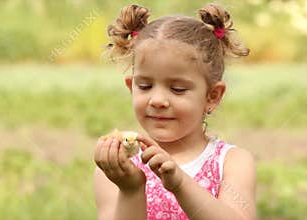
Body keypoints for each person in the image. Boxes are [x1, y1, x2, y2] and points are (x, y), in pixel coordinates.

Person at [94, 2, 256, 220]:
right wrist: (131, 190)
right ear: (130, 87)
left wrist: (180, 184)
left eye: (177, 89)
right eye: (145, 86)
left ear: (212, 96)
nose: (158, 100)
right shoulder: (119, 167)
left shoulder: (232, 162)